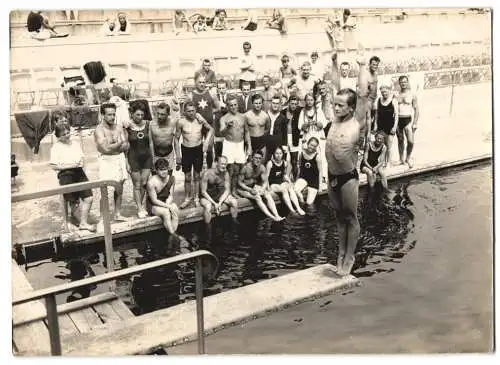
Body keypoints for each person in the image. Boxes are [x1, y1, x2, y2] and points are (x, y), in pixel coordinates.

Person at [325, 50, 368, 276]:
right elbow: (334, 85)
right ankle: (340, 252)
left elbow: (361, 94)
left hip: (347, 178)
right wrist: (333, 62)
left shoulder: (355, 122)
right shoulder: (335, 119)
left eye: (341, 105)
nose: (337, 107)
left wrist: (362, 66)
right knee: (339, 217)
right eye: (336, 104)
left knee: (351, 217)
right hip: (331, 175)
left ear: (350, 108)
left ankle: (350, 255)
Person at [50, 123, 95, 232]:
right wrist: (71, 165)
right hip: (66, 175)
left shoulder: (75, 144)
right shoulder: (56, 147)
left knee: (89, 198)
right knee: (74, 202)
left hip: (79, 172)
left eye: (68, 132)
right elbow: (54, 166)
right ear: (58, 136)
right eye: (63, 134)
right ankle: (81, 222)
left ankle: (83, 222)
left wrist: (81, 163)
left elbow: (82, 158)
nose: (67, 135)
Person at [174, 101, 214, 209]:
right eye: (189, 111)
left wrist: (206, 142)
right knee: (187, 176)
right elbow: (176, 139)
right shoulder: (181, 122)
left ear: (195, 110)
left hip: (198, 149)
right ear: (185, 112)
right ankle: (187, 198)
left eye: (193, 111)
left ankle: (196, 198)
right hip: (186, 150)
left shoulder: (200, 120)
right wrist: (178, 154)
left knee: (197, 175)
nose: (191, 113)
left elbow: (211, 129)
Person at [94, 103, 129, 222]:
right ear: (103, 115)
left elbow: (126, 146)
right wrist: (119, 143)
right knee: (105, 189)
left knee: (119, 187)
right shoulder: (99, 130)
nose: (112, 117)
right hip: (106, 160)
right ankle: (102, 217)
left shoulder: (118, 127)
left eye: (114, 114)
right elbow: (105, 149)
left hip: (119, 158)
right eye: (109, 114)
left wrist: (113, 145)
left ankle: (118, 214)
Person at [237, 150, 285, 222]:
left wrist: (262, 189)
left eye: (259, 158)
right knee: (257, 197)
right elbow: (239, 183)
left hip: (253, 187)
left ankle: (277, 215)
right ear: (252, 158)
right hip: (243, 189)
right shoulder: (245, 168)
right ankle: (272, 217)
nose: (257, 160)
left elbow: (265, 181)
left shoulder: (262, 167)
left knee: (267, 194)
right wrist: (249, 190)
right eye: (256, 158)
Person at [220, 95, 251, 194]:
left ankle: (234, 190)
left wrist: (249, 146)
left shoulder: (242, 117)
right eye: (231, 105)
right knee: (229, 169)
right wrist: (227, 127)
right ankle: (227, 190)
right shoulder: (224, 118)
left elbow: (246, 132)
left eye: (235, 105)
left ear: (237, 105)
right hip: (229, 144)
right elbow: (221, 132)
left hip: (240, 145)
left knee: (238, 168)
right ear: (228, 107)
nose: (233, 107)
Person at [126, 102, 152, 218]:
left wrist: (153, 156)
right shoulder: (127, 126)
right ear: (132, 114)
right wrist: (126, 162)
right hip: (133, 157)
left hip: (146, 157)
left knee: (144, 183)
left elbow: (150, 142)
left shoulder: (147, 124)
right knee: (137, 184)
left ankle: (140, 205)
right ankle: (140, 208)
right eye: (137, 115)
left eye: (142, 114)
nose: (140, 117)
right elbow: (125, 146)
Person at [189, 74, 220, 168]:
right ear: (195, 83)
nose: (202, 84)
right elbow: (186, 111)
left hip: (209, 125)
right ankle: (198, 168)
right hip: (197, 125)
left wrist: (210, 112)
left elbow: (218, 108)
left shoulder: (211, 93)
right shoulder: (191, 95)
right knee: (198, 147)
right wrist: (196, 117)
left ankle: (210, 168)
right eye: (200, 82)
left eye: (204, 82)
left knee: (210, 148)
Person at [265, 146, 305, 215]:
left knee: (290, 188)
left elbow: (284, 175)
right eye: (277, 153)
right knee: (284, 190)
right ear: (273, 154)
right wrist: (268, 188)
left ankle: (298, 208)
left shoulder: (284, 163)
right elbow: (266, 177)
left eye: (280, 153)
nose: (278, 155)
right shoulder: (270, 164)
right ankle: (292, 210)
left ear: (282, 154)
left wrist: (290, 182)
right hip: (273, 184)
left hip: (281, 182)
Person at [200, 156, 239, 224]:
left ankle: (234, 223)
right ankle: (208, 228)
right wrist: (214, 203)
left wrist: (220, 202)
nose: (224, 166)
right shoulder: (207, 174)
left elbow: (227, 190)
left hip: (219, 196)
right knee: (208, 207)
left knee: (234, 202)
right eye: (222, 164)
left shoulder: (226, 173)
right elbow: (203, 192)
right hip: (207, 197)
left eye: (225, 164)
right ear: (216, 163)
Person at [146, 159, 179, 237]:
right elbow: (154, 200)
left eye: (165, 169)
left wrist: (168, 203)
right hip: (153, 205)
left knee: (175, 208)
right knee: (166, 212)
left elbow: (171, 195)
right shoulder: (151, 182)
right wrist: (167, 206)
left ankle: (173, 232)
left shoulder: (172, 179)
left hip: (165, 202)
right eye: (161, 170)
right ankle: (173, 235)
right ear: (156, 171)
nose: (164, 172)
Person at [396, 75, 419, 168]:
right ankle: (401, 159)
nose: (403, 84)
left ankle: (408, 158)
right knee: (400, 140)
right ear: (399, 83)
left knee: (410, 141)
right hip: (398, 120)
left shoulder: (412, 95)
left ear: (407, 82)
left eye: (405, 82)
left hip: (408, 119)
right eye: (401, 82)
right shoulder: (396, 94)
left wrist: (415, 122)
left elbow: (417, 110)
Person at [373, 83, 398, 166]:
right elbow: (376, 114)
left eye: (385, 92)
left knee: (389, 145)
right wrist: (376, 125)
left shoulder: (393, 100)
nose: (384, 93)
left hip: (390, 126)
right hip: (381, 126)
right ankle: (381, 162)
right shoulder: (379, 100)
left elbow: (396, 116)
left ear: (389, 91)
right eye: (382, 92)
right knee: (381, 145)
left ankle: (388, 163)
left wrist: (394, 127)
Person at [149, 102, 177, 175]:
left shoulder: (173, 123)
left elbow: (176, 140)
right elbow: (151, 142)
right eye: (157, 113)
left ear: (168, 114)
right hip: (156, 155)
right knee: (155, 179)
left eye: (162, 114)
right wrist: (152, 159)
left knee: (168, 179)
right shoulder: (152, 124)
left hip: (169, 154)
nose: (159, 116)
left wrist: (178, 156)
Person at [294, 137, 323, 206]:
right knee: (295, 190)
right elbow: (300, 168)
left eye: (314, 146)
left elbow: (320, 171)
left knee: (309, 204)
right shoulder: (302, 154)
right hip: (303, 178)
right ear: (307, 144)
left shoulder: (317, 157)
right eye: (311, 145)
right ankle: (302, 202)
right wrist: (297, 179)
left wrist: (320, 186)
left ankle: (309, 213)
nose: (312, 147)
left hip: (313, 181)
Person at [281, 95, 302, 179]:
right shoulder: (283, 112)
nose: (294, 106)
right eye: (292, 103)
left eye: (295, 104)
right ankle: (283, 179)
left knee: (294, 161)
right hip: (284, 138)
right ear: (288, 103)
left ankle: (296, 179)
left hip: (295, 138)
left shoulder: (300, 112)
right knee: (284, 160)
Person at [245, 94, 271, 160]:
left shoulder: (265, 116)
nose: (258, 105)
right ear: (252, 103)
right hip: (251, 140)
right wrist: (249, 146)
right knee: (250, 162)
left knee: (262, 161)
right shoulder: (247, 115)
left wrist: (261, 134)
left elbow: (267, 128)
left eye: (259, 103)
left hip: (261, 141)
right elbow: (246, 131)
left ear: (262, 104)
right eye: (256, 103)